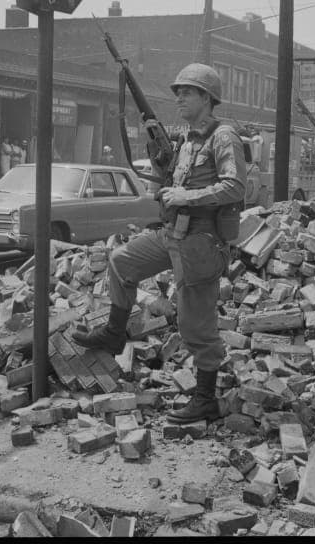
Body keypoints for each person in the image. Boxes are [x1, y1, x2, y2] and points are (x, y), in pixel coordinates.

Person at [72, 64, 246, 424]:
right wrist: (163, 166)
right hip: (173, 232)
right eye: (178, 90)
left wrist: (187, 193)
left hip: (201, 241)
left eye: (187, 91)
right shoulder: (187, 140)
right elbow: (167, 184)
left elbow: (235, 186)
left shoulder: (223, 137)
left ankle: (205, 400)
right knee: (121, 262)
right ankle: (113, 333)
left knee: (195, 324)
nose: (179, 97)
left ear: (206, 98)